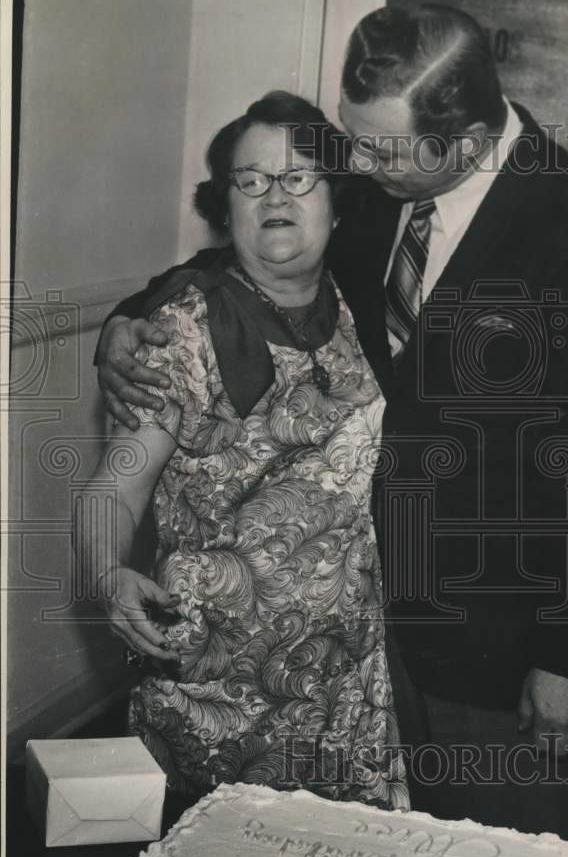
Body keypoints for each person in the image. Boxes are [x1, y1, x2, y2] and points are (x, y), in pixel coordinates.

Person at [95, 5, 568, 834]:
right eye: (352, 139)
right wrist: (127, 318)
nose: (353, 163)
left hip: (495, 643)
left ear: (465, 141)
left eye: (378, 149)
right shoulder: (377, 182)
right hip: (355, 643)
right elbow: (248, 254)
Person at [77, 90, 409, 810]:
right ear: (225, 204)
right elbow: (115, 487)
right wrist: (106, 572)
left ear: (337, 199)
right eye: (250, 181)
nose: (273, 197)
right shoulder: (179, 335)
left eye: (297, 178)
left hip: (345, 695)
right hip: (219, 697)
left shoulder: (362, 309)